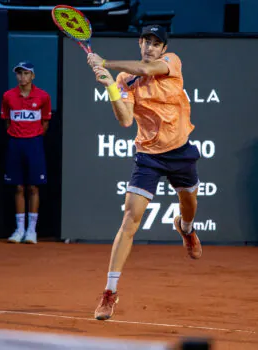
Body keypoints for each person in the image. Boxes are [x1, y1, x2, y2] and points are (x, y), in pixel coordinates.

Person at [87, 25, 203, 321]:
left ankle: (186, 229)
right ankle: (109, 293)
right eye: (146, 41)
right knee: (129, 219)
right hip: (148, 156)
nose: (151, 47)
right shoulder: (128, 80)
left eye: (156, 43)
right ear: (140, 42)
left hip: (180, 150)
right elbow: (126, 120)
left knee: (189, 204)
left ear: (163, 49)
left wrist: (106, 63)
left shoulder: (171, 63)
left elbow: (145, 67)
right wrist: (111, 86)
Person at [1, 61, 51, 244]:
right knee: (18, 187)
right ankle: (19, 229)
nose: (22, 77)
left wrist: (32, 136)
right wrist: (18, 134)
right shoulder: (8, 96)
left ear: (33, 76)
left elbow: (45, 122)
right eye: (19, 73)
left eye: (26, 73)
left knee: (33, 187)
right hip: (15, 144)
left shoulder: (43, 97)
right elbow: (7, 120)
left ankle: (31, 231)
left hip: (34, 144)